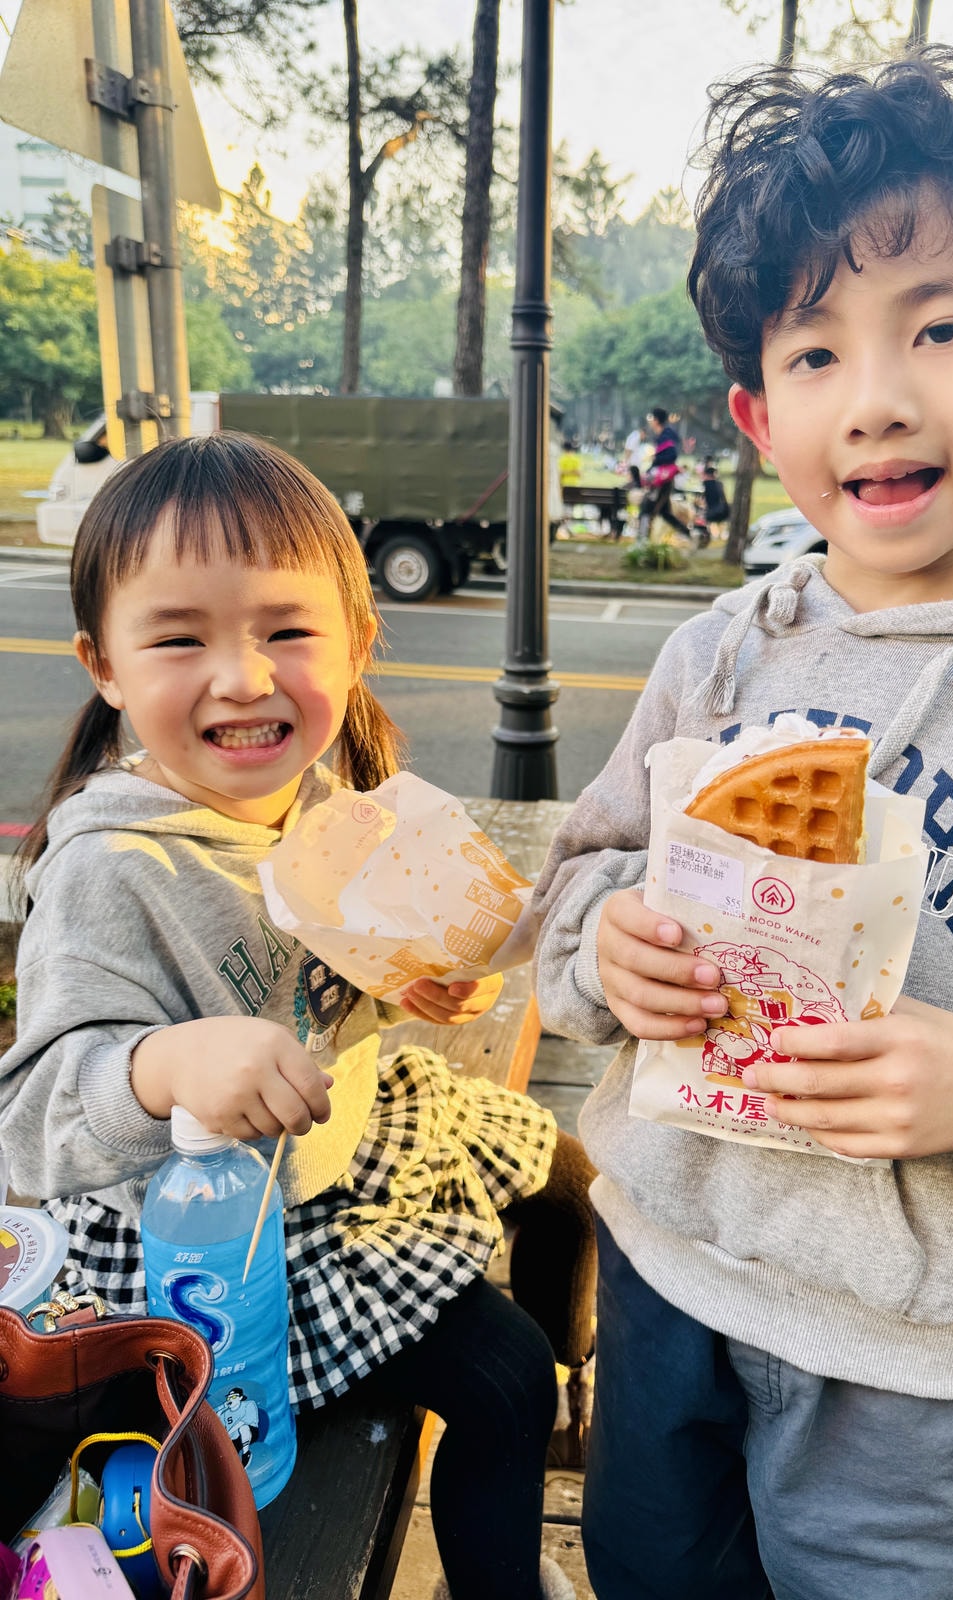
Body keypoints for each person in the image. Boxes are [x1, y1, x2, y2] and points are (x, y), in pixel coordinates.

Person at [532, 49, 953, 1600]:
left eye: (945, 327)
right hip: (661, 1276)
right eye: (817, 354)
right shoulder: (721, 653)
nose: (880, 397)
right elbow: (583, 879)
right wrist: (611, 951)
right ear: (761, 414)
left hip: (910, 1361)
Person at [0, 433, 590, 1600]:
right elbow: (31, 1122)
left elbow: (321, 979)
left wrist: (401, 982)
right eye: (180, 638)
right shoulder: (112, 871)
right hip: (206, 1245)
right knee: (501, 1378)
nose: (243, 676)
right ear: (103, 664)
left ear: (359, 644)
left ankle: (582, 1386)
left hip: (339, 1145)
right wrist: (169, 1063)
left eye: (287, 630)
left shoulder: (316, 797)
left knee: (568, 1169)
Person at [637, 406, 691, 543]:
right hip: (660, 479)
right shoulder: (664, 434)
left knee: (647, 508)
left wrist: (655, 459)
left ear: (656, 420)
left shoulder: (666, 435)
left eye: (651, 418)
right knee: (664, 512)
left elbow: (671, 456)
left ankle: (642, 541)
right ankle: (688, 534)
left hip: (663, 481)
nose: (649, 421)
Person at [622, 424, 644, 489]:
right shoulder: (636, 437)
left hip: (632, 460)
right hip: (633, 461)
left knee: (631, 476)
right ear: (642, 432)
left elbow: (627, 448)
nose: (643, 437)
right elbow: (629, 449)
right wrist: (627, 460)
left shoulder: (633, 435)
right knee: (632, 477)